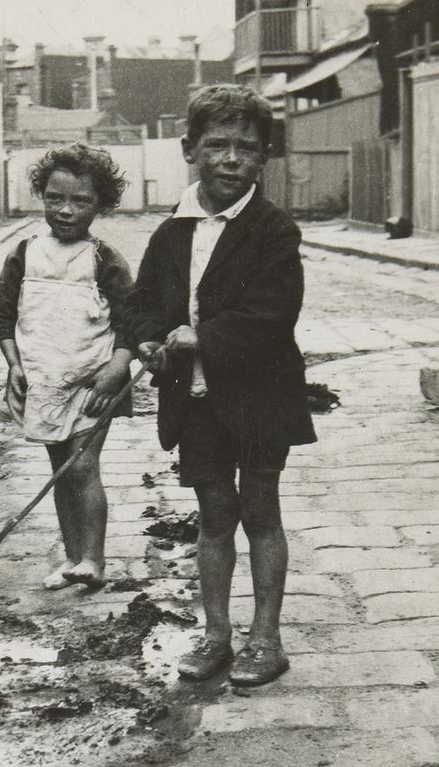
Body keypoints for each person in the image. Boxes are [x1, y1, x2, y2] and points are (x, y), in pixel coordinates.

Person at [125, 84, 317, 686]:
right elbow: (145, 304)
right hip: (198, 400)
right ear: (190, 149)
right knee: (213, 515)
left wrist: (199, 336)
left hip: (262, 397)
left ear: (264, 158)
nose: (232, 159)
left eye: (247, 148)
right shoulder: (170, 233)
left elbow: (271, 314)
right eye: (218, 145)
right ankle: (215, 635)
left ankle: (266, 638)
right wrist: (150, 340)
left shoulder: (274, 231)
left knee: (260, 511)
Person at [0, 143, 134, 591]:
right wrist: (14, 364)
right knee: (60, 468)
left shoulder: (103, 260)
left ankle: (94, 558)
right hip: (44, 382)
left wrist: (118, 367)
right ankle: (72, 557)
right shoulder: (25, 253)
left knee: (83, 467)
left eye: (80, 201)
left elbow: (133, 321)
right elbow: (2, 316)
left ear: (101, 205)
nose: (66, 210)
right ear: (42, 196)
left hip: (94, 382)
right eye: (56, 198)